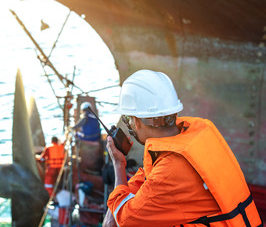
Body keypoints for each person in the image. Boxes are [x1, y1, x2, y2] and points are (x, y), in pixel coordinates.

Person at [103, 70, 262, 227]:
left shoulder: (169, 171)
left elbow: (125, 220)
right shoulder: (198, 133)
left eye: (127, 119)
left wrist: (119, 164)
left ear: (137, 121)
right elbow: (150, 177)